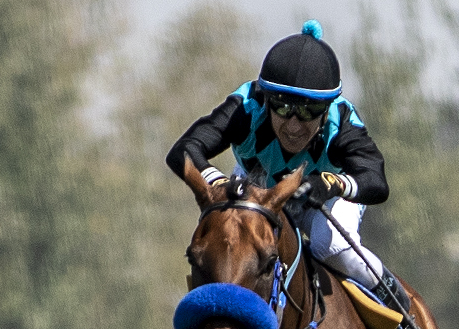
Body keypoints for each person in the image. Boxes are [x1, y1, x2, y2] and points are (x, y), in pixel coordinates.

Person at [165, 20, 388, 289]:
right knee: (227, 246)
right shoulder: (246, 107)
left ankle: (400, 305)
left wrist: (331, 183)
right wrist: (220, 184)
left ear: (327, 109)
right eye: (282, 108)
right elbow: (183, 150)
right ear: (267, 99)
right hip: (257, 189)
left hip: (326, 200)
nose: (293, 126)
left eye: (307, 111)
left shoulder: (341, 122)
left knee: (332, 249)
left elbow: (376, 182)